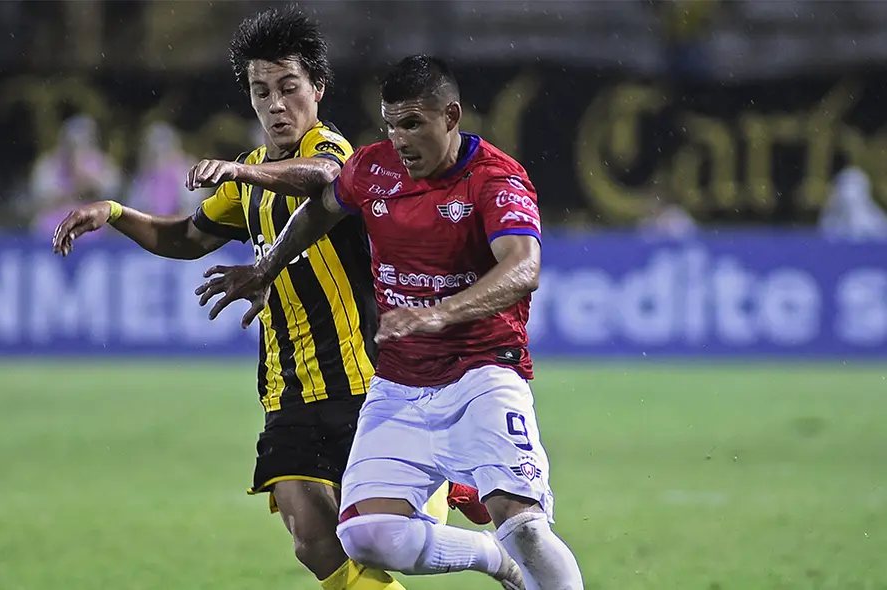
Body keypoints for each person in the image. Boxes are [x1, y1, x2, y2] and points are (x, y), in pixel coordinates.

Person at [50, 10, 486, 590]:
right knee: (312, 539)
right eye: (262, 92)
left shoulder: (332, 151)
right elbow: (187, 238)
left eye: (289, 88)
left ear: (317, 89)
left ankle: (462, 499)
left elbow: (325, 178)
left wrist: (240, 172)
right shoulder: (252, 176)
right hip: (290, 385)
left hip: (365, 378)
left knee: (387, 538)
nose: (276, 105)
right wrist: (115, 212)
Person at [195, 55, 585, 590]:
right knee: (367, 535)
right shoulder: (373, 168)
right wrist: (266, 268)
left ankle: (511, 546)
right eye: (391, 125)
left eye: (413, 124)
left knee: (523, 525)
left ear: (451, 116)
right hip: (399, 384)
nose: (400, 140)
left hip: (482, 373)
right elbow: (321, 207)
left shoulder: (495, 178)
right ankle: (493, 558)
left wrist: (438, 313)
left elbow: (523, 268)